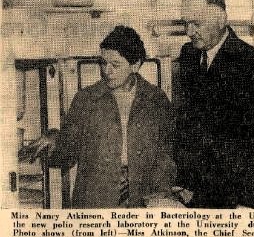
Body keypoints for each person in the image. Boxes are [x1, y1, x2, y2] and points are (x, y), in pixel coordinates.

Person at [28, 26, 176, 208]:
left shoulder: (156, 99)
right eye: (103, 63)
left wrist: (162, 196)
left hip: (142, 201)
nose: (107, 70)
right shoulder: (86, 99)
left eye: (115, 64)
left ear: (135, 65)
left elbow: (166, 155)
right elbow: (66, 156)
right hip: (95, 202)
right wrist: (54, 139)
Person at [174, 0, 254, 208]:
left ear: (221, 19)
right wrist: (182, 181)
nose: (189, 31)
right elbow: (186, 121)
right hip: (193, 192)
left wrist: (247, 201)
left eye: (196, 23)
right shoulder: (189, 55)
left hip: (233, 196)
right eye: (186, 23)